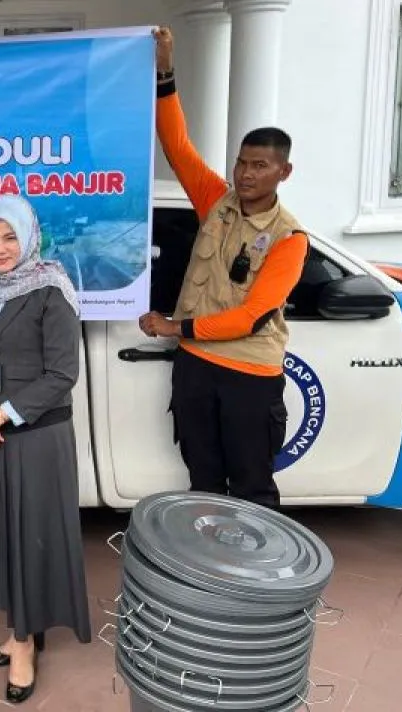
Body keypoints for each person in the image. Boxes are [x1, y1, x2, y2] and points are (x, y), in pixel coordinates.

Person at [138, 26, 309, 509]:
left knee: (253, 490)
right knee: (204, 482)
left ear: (284, 172)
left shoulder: (289, 239)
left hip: (249, 376)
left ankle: (257, 562)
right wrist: (165, 72)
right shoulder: (216, 201)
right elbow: (178, 147)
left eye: (260, 165)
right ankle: (209, 556)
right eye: (242, 163)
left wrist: (174, 326)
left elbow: (251, 317)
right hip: (197, 368)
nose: (247, 174)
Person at [0, 193, 92, 705]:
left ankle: (24, 645)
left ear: (29, 239)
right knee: (1, 538)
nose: (0, 248)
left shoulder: (52, 289)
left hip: (35, 438)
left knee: (30, 540)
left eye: (10, 237)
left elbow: (61, 374)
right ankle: (19, 628)